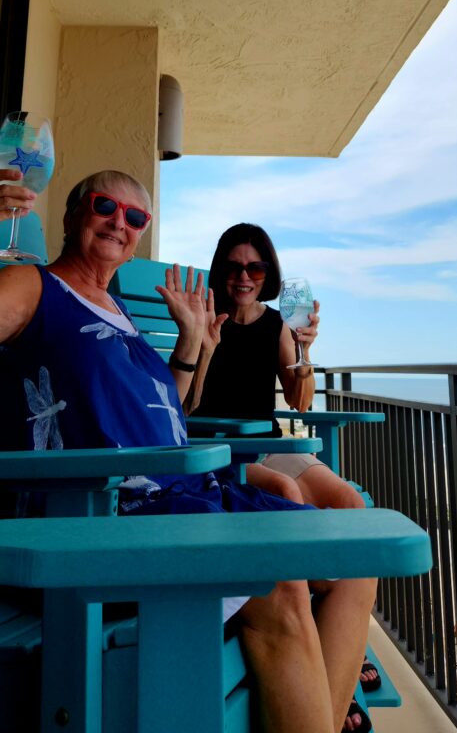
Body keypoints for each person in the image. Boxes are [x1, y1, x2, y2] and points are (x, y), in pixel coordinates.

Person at [0, 167, 375, 733]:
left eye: (135, 218)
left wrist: (191, 345)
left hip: (176, 499)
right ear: (71, 215)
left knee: (357, 556)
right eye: (106, 207)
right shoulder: (36, 287)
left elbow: (167, 417)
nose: (119, 223)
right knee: (279, 581)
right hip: (98, 516)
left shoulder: (118, 309)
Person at [187, 223, 381, 731]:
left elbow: (300, 403)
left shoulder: (276, 326)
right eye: (233, 266)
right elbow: (186, 402)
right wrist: (203, 344)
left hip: (270, 444)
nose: (243, 276)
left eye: (254, 267)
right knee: (289, 496)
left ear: (267, 273)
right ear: (221, 271)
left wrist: (302, 351)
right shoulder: (208, 317)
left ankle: (327, 666)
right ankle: (322, 638)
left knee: (349, 506)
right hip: (221, 448)